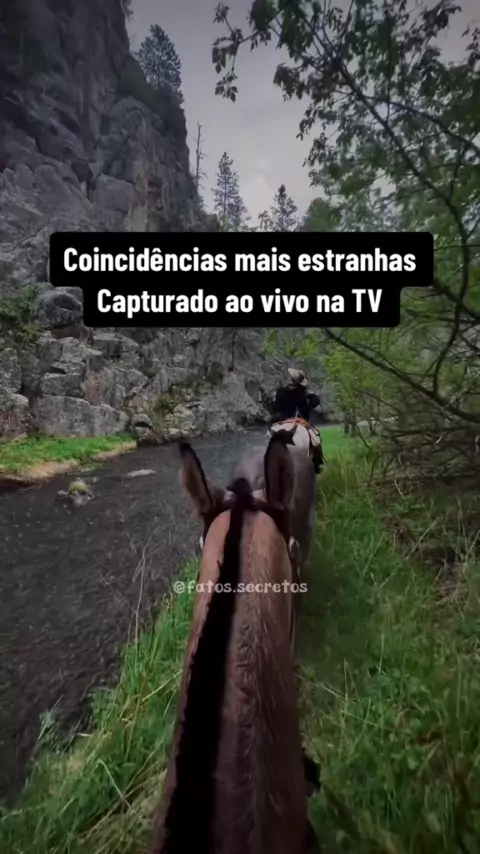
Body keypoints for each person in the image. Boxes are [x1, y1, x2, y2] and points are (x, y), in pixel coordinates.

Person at [269, 368, 324, 473]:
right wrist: (308, 406)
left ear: (291, 379)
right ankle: (317, 464)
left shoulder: (281, 392)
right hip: (302, 421)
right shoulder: (305, 392)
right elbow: (315, 401)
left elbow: (275, 409)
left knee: (270, 438)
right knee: (316, 440)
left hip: (283, 421)